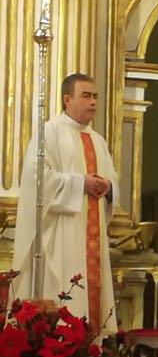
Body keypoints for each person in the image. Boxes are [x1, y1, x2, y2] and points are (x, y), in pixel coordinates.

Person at [13, 73, 118, 339]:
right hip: (62, 234)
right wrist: (80, 183)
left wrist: (107, 187)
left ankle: (91, 349)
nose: (93, 102)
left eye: (95, 96)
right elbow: (37, 179)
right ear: (67, 99)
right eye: (86, 96)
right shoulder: (49, 133)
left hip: (91, 234)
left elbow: (111, 180)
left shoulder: (98, 140)